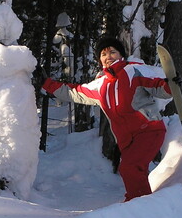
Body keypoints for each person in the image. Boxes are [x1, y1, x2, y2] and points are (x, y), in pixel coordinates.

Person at [42, 36, 172, 201]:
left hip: (148, 130)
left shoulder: (134, 71)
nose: (108, 56)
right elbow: (74, 92)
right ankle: (144, 204)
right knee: (133, 171)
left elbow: (158, 88)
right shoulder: (101, 84)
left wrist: (169, 85)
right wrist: (47, 84)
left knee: (129, 168)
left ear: (121, 55)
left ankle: (137, 205)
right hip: (126, 140)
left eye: (112, 52)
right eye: (103, 54)